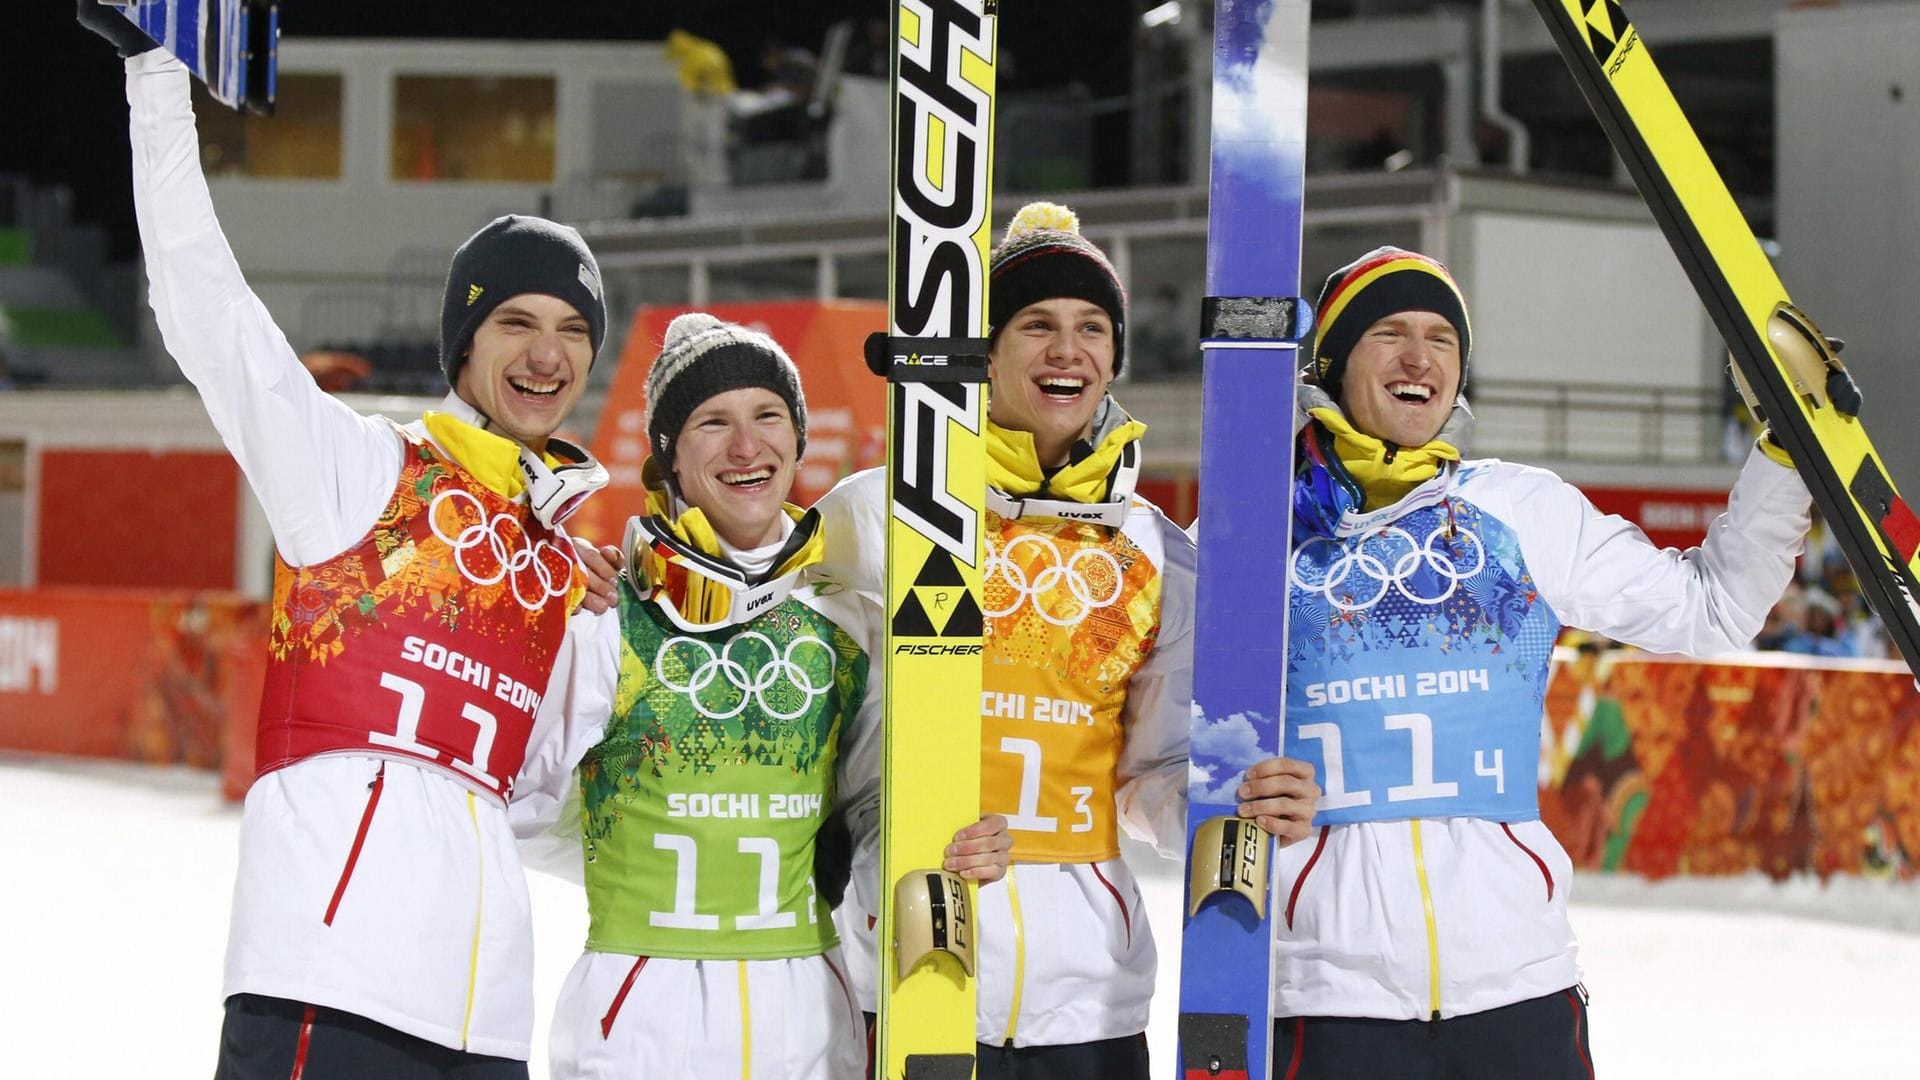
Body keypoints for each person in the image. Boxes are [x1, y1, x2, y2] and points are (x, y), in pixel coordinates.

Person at [79, 5, 617, 1076]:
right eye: (516, 323)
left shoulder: (566, 570)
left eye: (572, 332)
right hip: (326, 988)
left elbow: (544, 806)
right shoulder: (361, 475)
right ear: (465, 348)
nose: (547, 354)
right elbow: (208, 312)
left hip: (485, 1022)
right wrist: (154, 81)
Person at [1262, 246, 1813, 1077]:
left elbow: (1712, 609)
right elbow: (1162, 764)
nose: (1420, 357)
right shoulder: (1255, 536)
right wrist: (1227, 788)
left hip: (1517, 986)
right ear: (1333, 363)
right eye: (1390, 333)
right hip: (1329, 997)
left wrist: (1784, 456)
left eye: (1443, 339)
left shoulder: (1520, 510)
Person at [510, 314, 1013, 1079]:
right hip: (639, 1023)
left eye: (768, 416)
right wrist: (639, 851)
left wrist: (948, 840)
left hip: (808, 1019)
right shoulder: (609, 612)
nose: (747, 447)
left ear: (798, 438)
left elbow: (875, 799)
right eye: (713, 422)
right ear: (669, 459)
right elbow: (524, 803)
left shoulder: (847, 617)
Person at [819, 202, 1215, 1079]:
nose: (1066, 349)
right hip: (914, 965)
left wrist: (1232, 813)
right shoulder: (878, 513)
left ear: (1114, 357)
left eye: (1091, 327)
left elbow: (1158, 767)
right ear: (987, 352)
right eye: (1036, 324)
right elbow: (796, 695)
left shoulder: (1155, 550)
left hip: (1092, 990)